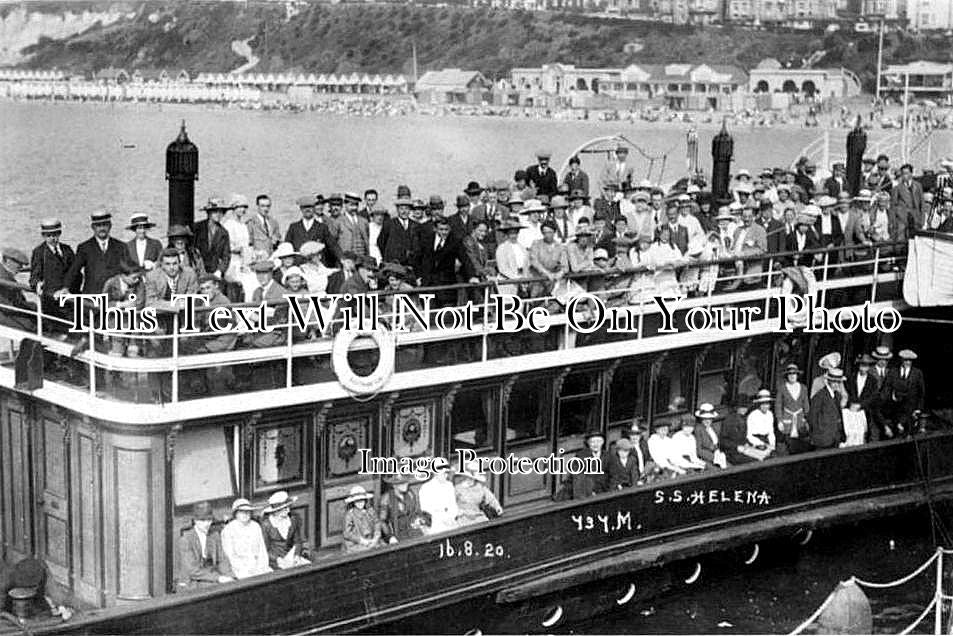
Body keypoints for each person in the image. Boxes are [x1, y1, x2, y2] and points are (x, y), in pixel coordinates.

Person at [61, 211, 129, 295]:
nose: (102, 228)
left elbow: (129, 270)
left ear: (110, 226)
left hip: (114, 296)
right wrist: (66, 287)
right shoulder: (84, 248)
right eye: (98, 225)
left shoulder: (121, 246)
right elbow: (74, 270)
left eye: (105, 225)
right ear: (93, 227)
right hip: (91, 296)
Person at [177, 501, 234, 590]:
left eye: (209, 520)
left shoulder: (214, 536)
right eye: (203, 520)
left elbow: (222, 560)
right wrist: (218, 578)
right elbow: (192, 571)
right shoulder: (186, 540)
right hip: (192, 581)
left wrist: (230, 576)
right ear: (195, 521)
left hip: (212, 577)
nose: (207, 524)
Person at [30, 218, 76, 321]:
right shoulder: (39, 252)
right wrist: (38, 285)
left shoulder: (67, 250)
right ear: (43, 236)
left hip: (69, 296)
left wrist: (68, 289)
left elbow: (76, 273)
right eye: (49, 236)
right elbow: (34, 277)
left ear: (59, 233)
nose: (52, 238)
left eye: (55, 235)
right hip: (51, 301)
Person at [220, 498, 271, 579]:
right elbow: (230, 555)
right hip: (239, 568)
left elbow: (262, 550)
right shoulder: (228, 530)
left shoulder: (255, 526)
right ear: (235, 514)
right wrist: (246, 569)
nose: (245, 514)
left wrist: (261, 566)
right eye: (241, 512)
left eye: (248, 511)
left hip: (258, 565)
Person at [259, 491, 310, 570]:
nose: (288, 510)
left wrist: (296, 555)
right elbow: (265, 549)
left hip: (291, 556)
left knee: (306, 568)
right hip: (275, 559)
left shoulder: (292, 520)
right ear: (276, 511)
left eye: (288, 507)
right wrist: (277, 559)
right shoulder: (267, 525)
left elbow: (298, 541)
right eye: (285, 508)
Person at [880, 349, 925, 437]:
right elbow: (886, 388)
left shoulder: (917, 373)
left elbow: (921, 393)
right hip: (895, 408)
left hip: (911, 410)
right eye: (905, 360)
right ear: (901, 360)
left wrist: (918, 409)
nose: (907, 362)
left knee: (908, 433)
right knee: (895, 434)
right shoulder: (893, 371)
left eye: (909, 360)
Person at [378, 474, 426, 544]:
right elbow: (382, 521)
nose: (405, 484)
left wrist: (419, 521)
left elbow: (416, 512)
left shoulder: (410, 494)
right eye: (401, 483)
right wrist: (390, 537)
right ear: (394, 485)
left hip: (414, 532)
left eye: (405, 482)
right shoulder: (386, 498)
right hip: (398, 536)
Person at [193, 198, 232, 279]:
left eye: (221, 212)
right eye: (215, 211)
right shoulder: (197, 228)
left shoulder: (223, 233)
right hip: (196, 270)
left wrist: (219, 271)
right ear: (209, 213)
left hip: (214, 272)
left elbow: (226, 256)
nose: (218, 214)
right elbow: (191, 249)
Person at [775, 363, 810, 454]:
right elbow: (778, 405)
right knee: (788, 445)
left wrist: (807, 419)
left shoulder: (803, 388)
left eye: (794, 373)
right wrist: (779, 420)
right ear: (787, 375)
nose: (792, 376)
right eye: (790, 374)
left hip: (800, 420)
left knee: (800, 445)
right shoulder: (782, 388)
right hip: (787, 419)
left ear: (797, 375)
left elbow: (806, 405)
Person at [454, 460, 503, 526]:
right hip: (463, 517)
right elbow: (450, 504)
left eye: (472, 478)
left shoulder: (480, 487)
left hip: (478, 516)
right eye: (468, 477)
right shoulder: (458, 488)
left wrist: (497, 507)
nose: (470, 480)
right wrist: (461, 512)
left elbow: (491, 499)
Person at [809, 368, 847, 450]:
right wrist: (819, 434)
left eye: (838, 382)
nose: (836, 384)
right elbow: (812, 417)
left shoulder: (837, 396)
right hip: (822, 439)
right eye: (834, 381)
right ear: (828, 381)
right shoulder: (819, 396)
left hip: (835, 438)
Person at [418, 457, 458, 534]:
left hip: (450, 521)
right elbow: (426, 511)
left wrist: (451, 517)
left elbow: (453, 506)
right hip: (434, 523)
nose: (446, 476)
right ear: (435, 473)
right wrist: (442, 519)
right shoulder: (426, 488)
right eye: (443, 473)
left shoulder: (449, 485)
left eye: (447, 473)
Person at [0, 248, 35, 331]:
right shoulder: (3, 276)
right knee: (32, 326)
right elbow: (7, 305)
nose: (21, 267)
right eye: (18, 263)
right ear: (7, 260)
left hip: (10, 311)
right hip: (5, 314)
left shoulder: (6, 274)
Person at [567, 430, 608, 499]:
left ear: (603, 442)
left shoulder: (608, 455)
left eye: (598, 441)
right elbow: (578, 479)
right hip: (586, 493)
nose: (596, 444)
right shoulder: (581, 456)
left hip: (604, 492)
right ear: (588, 443)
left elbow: (614, 474)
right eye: (592, 442)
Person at [848, 354, 880, 441]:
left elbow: (873, 397)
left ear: (869, 367)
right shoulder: (851, 377)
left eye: (866, 366)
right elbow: (848, 392)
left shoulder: (873, 380)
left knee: (863, 436)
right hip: (851, 411)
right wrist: (852, 404)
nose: (863, 368)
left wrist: (861, 405)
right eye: (862, 365)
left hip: (866, 412)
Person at [341, 486, 382, 553]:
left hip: (371, 539)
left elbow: (377, 523)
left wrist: (376, 537)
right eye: (357, 501)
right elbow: (347, 533)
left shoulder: (370, 511)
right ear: (353, 502)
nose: (360, 503)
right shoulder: (350, 515)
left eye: (362, 500)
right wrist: (361, 541)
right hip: (356, 544)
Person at [333, 192, 370, 260]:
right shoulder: (338, 222)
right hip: (346, 260)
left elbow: (367, 238)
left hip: (363, 260)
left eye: (356, 205)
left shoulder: (364, 221)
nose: (354, 208)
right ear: (345, 205)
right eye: (351, 205)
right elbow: (333, 243)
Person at [693, 403, 727, 468]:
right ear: (700, 418)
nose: (707, 421)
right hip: (707, 458)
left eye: (710, 418)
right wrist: (714, 457)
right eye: (704, 418)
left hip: (720, 454)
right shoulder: (698, 429)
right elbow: (699, 451)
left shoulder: (713, 427)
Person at [745, 389, 776, 458]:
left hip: (767, 441)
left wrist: (772, 444)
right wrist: (760, 444)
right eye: (763, 404)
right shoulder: (752, 415)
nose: (765, 406)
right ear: (759, 404)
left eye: (767, 404)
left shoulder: (770, 414)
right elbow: (749, 435)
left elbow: (771, 432)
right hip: (755, 442)